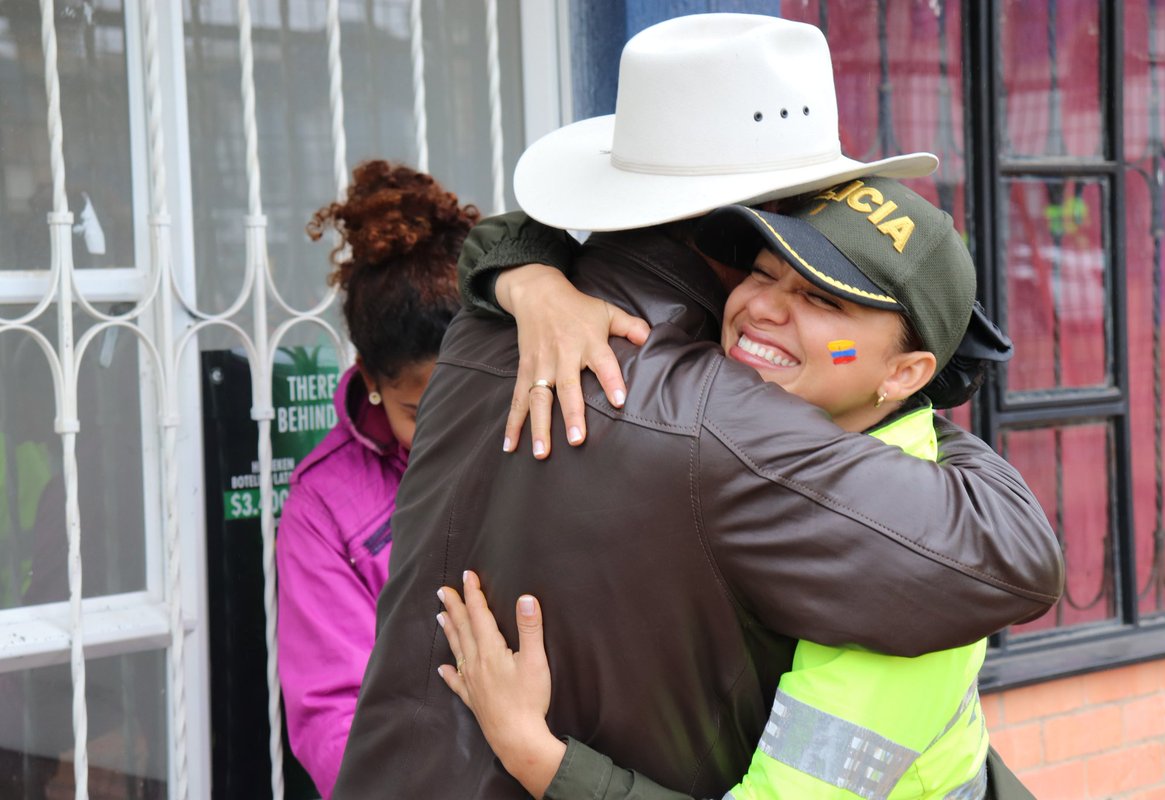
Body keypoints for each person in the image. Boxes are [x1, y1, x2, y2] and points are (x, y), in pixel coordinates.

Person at [334, 15, 1062, 799]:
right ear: (747, 222)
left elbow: (502, 240)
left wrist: (523, 272)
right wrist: (932, 388)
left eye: (822, 288)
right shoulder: (734, 425)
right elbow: (1011, 556)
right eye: (777, 249)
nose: (774, 302)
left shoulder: (485, 329)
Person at [435, 179, 1023, 799]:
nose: (763, 308)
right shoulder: (789, 391)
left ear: (905, 373)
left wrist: (537, 756)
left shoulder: (909, 563)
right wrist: (536, 289)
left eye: (824, 301)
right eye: (764, 272)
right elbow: (507, 229)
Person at [275, 160, 477, 798]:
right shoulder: (321, 509)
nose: (445, 431)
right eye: (419, 412)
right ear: (369, 377)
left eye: (464, 399)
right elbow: (332, 718)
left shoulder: (532, 427)